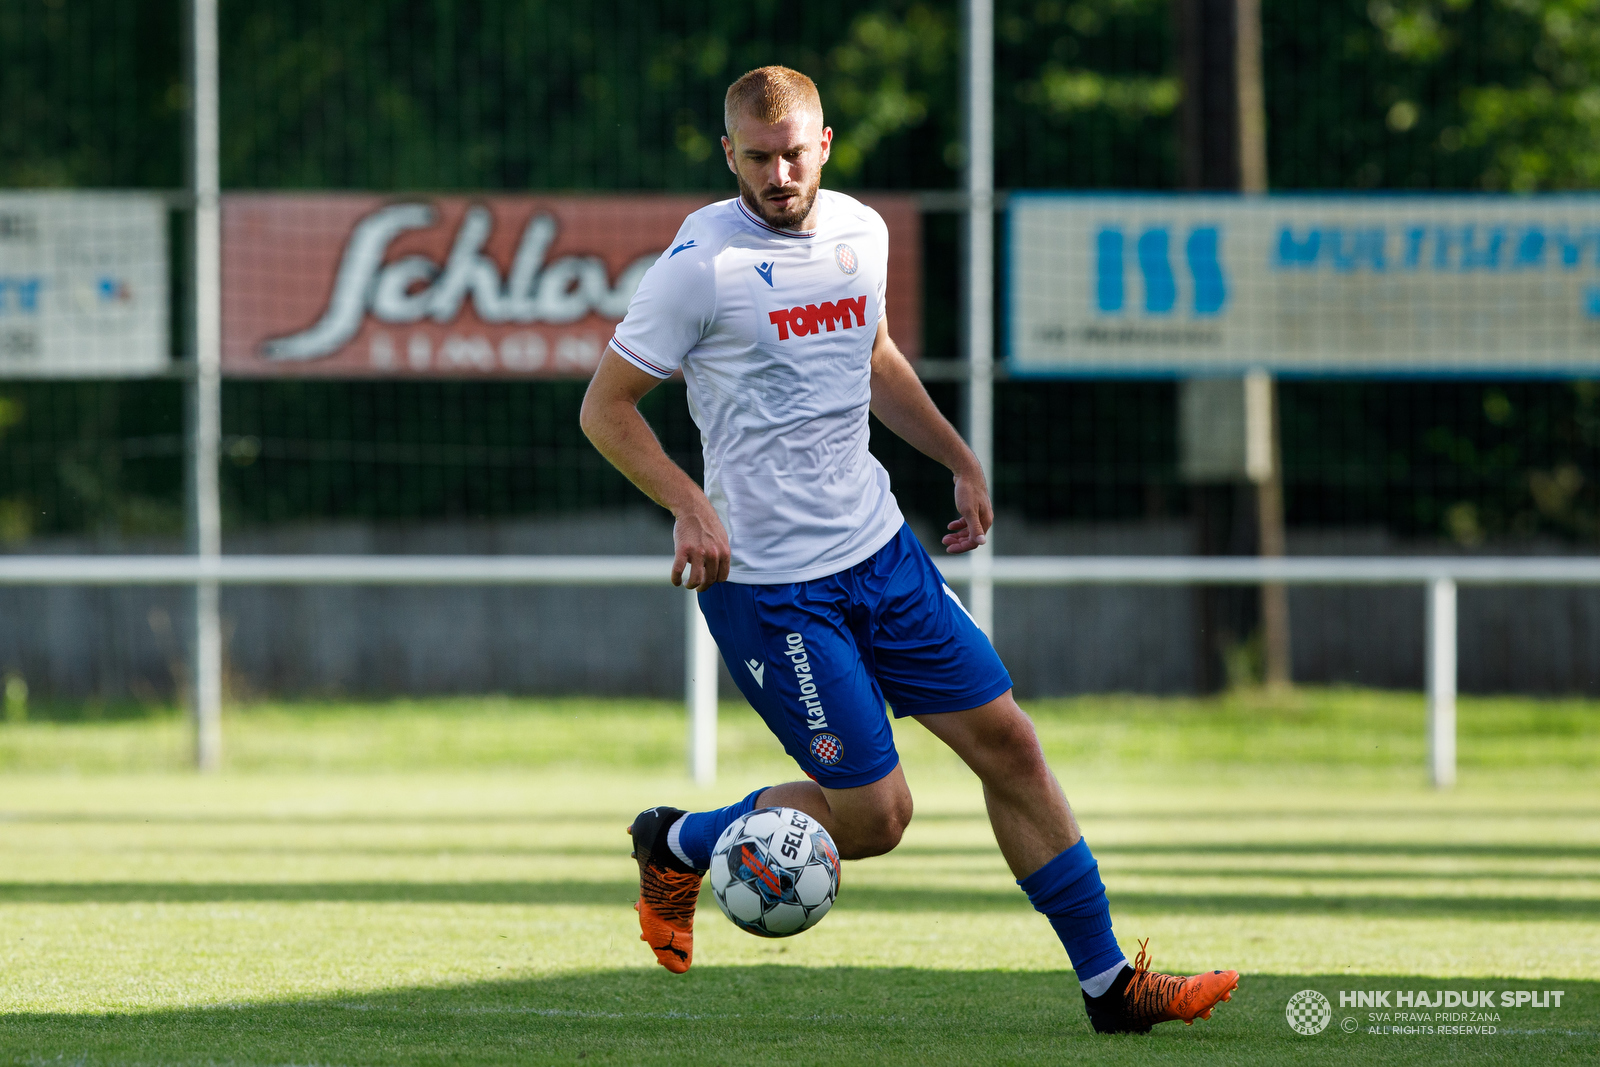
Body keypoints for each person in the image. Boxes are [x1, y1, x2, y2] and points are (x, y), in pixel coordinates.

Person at [579, 65, 1238, 1035]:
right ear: (728, 156)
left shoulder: (859, 232)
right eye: (755, 158)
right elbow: (605, 409)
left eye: (793, 152)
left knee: (1011, 744)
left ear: (826, 144)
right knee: (878, 818)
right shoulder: (697, 269)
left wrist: (956, 457)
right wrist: (687, 503)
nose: (776, 173)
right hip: (772, 588)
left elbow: (873, 353)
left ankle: (1111, 986)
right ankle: (677, 841)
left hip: (882, 555)